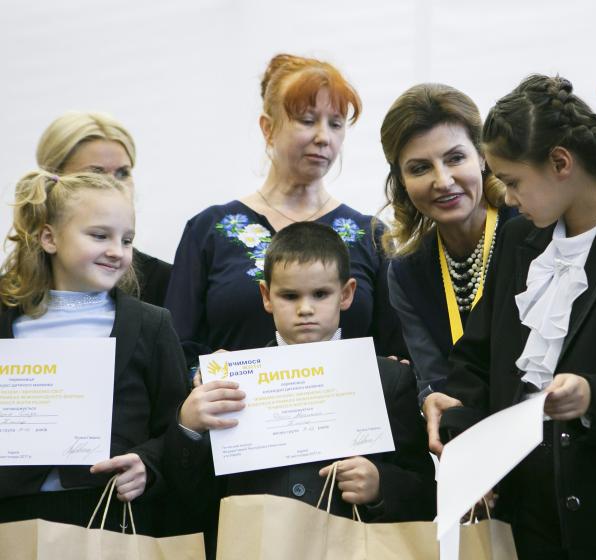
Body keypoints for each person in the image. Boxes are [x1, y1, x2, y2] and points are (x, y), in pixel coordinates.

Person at [422, 74, 596, 559]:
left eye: (513, 181)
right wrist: (458, 416)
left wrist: (593, 397)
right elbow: (478, 357)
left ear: (561, 163)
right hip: (522, 517)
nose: (507, 198)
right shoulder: (516, 240)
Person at [165, 222, 435, 553]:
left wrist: (382, 485)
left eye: (320, 294)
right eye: (289, 296)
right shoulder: (231, 382)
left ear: (346, 294)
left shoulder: (389, 378)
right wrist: (188, 427)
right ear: (266, 296)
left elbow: (426, 493)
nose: (305, 309)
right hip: (254, 548)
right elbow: (194, 494)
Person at [166, 53, 405, 371]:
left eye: (335, 124)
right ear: (268, 128)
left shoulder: (371, 235)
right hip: (235, 402)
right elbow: (173, 350)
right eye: (307, 120)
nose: (323, 137)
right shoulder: (208, 230)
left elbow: (397, 351)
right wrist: (200, 375)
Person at [0, 170, 188, 535]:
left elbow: (175, 428)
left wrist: (147, 465)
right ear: (49, 238)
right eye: (100, 236)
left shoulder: (151, 326)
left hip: (111, 520)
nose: (117, 251)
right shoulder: (7, 321)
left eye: (127, 240)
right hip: (11, 518)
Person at [380, 83, 515, 401]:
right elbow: (434, 380)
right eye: (420, 168)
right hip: (466, 423)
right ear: (401, 180)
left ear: (482, 157)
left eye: (455, 158)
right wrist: (433, 403)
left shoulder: (530, 230)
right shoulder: (406, 273)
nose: (442, 181)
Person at [35, 111, 172, 307]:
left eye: (123, 173)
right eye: (95, 174)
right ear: (53, 181)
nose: (114, 186)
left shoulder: (165, 283)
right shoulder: (9, 293)